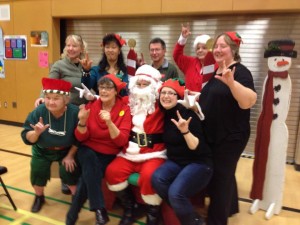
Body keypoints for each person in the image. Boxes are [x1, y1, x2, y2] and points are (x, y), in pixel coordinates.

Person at [199, 31, 257, 225]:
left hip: (230, 137)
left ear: (233, 49)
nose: (217, 49)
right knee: (226, 174)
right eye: (216, 46)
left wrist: (232, 83)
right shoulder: (217, 71)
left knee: (220, 180)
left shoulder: (240, 72)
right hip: (216, 134)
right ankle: (231, 206)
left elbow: (249, 100)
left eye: (222, 46)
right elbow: (215, 98)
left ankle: (217, 220)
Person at [66, 74, 132, 225]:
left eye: (109, 88)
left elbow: (121, 141)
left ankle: (72, 216)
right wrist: (82, 122)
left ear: (116, 91)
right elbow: (81, 138)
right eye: (102, 87)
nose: (104, 91)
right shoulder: (92, 106)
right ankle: (99, 209)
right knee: (88, 157)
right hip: (87, 150)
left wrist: (109, 122)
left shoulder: (124, 109)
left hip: (109, 154)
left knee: (86, 179)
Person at [105, 65, 166, 225]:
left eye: (144, 84)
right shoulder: (128, 102)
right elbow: (109, 100)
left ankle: (153, 214)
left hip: (154, 152)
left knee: (149, 176)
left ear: (153, 86)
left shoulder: (162, 103)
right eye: (138, 84)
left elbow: (178, 101)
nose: (140, 88)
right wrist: (93, 98)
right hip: (129, 152)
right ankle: (130, 207)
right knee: (112, 172)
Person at [151, 79, 213, 225]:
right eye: (163, 92)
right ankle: (187, 212)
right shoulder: (165, 112)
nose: (166, 96)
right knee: (157, 179)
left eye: (170, 93)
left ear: (177, 96)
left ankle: (194, 222)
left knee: (175, 193)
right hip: (177, 162)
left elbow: (195, 147)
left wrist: (185, 131)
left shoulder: (187, 113)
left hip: (199, 163)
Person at [21, 78, 80, 213]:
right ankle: (39, 196)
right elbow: (26, 136)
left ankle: (76, 199)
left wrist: (70, 155)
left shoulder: (74, 113)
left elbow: (81, 138)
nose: (51, 102)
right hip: (42, 150)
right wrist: (36, 133)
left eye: (56, 98)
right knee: (37, 170)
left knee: (70, 171)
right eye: (48, 98)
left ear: (65, 100)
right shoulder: (39, 111)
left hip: (67, 150)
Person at [35, 34, 92, 107]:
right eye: (68, 45)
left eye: (74, 46)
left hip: (85, 107)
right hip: (67, 108)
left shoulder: (86, 65)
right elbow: (49, 83)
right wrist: (41, 97)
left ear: (82, 49)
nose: (70, 48)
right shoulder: (59, 65)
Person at [173, 23, 216, 92]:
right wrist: (183, 38)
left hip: (209, 102)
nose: (200, 50)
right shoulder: (190, 63)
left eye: (204, 48)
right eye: (198, 48)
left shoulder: (217, 65)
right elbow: (177, 56)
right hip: (190, 102)